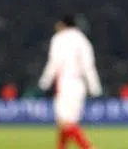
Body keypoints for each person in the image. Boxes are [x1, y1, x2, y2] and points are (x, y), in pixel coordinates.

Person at [38, 14, 102, 149]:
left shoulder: (59, 39)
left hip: (65, 84)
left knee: (65, 122)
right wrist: (95, 87)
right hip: (79, 86)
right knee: (68, 122)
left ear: (62, 25)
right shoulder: (83, 41)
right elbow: (89, 66)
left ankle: (88, 147)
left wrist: (45, 81)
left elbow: (54, 62)